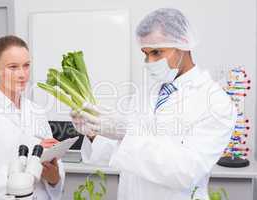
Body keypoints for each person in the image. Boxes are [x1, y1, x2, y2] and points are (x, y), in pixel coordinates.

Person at [71, 8, 237, 200]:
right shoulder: (146, 92)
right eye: (145, 53)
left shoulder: (216, 102)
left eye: (157, 52)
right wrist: (93, 133)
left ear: (183, 44)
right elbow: (119, 154)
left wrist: (126, 134)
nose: (149, 61)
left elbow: (187, 172)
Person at [0, 35, 64, 200]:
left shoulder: (36, 111)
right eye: (13, 67)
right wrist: (29, 165)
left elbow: (54, 175)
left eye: (26, 66)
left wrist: (54, 178)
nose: (22, 74)